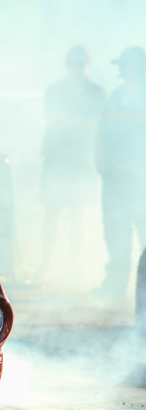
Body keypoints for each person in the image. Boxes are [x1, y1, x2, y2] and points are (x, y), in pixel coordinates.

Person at [37, 46, 106, 281]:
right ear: (67, 65)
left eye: (81, 63)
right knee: (51, 213)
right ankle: (45, 264)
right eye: (73, 63)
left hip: (82, 160)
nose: (77, 68)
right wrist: (80, 122)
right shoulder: (54, 90)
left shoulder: (97, 91)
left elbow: (98, 123)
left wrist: (72, 121)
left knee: (78, 215)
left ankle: (74, 266)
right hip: (56, 158)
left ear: (88, 64)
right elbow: (53, 118)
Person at [95, 46, 146, 298]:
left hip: (139, 179)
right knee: (115, 231)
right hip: (114, 176)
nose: (122, 70)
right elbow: (101, 129)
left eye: (125, 65)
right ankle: (114, 287)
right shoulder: (116, 95)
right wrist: (99, 156)